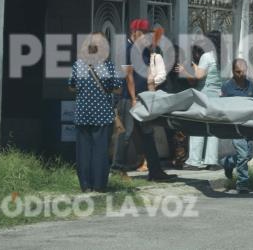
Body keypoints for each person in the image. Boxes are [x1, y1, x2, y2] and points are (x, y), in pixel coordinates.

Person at [113, 18, 176, 182]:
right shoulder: (127, 49)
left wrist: (151, 96)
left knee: (148, 134)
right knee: (125, 135)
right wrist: (134, 99)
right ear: (134, 32)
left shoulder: (145, 50)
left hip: (144, 98)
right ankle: (117, 170)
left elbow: (149, 74)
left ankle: (155, 171)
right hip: (129, 99)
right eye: (144, 33)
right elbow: (128, 76)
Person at [68, 32, 122, 192]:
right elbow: (118, 89)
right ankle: (99, 186)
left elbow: (71, 86)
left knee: (83, 152)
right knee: (100, 151)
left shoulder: (79, 65)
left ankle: (85, 186)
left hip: (82, 114)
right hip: (103, 115)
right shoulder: (108, 66)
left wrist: (84, 90)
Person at [177, 31, 223, 170]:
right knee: (213, 128)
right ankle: (212, 160)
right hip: (217, 95)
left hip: (204, 93)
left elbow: (199, 76)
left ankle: (195, 161)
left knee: (198, 126)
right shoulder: (222, 58)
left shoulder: (206, 56)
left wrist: (184, 71)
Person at [220, 58, 253, 194]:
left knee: (248, 155)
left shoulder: (250, 85)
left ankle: (228, 162)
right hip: (235, 127)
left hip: (249, 127)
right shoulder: (227, 87)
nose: (241, 74)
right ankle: (243, 184)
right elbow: (221, 107)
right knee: (243, 155)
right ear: (233, 71)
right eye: (238, 72)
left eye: (243, 71)